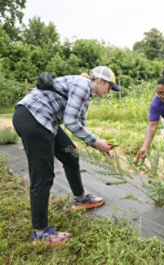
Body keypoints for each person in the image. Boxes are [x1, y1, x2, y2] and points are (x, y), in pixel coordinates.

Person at [12, 66, 122, 246]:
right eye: (110, 87)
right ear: (100, 81)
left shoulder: (87, 94)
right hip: (33, 118)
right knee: (43, 175)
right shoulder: (83, 85)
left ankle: (80, 200)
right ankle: (40, 233)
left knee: (71, 155)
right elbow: (70, 122)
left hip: (46, 121)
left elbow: (80, 123)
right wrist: (96, 141)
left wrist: (98, 145)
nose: (109, 91)